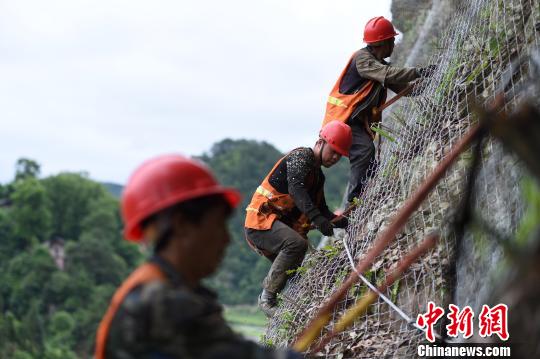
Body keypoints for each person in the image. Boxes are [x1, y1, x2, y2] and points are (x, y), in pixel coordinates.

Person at [95, 154, 302, 358]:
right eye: (217, 225)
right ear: (182, 225)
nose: (225, 240)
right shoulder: (166, 301)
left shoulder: (153, 285)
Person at [322, 16, 436, 203]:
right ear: (382, 43)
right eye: (391, 41)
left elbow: (405, 89)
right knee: (364, 151)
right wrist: (419, 71)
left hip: (354, 122)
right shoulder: (363, 60)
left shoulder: (378, 65)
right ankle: (353, 203)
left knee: (369, 162)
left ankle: (363, 196)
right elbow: (388, 75)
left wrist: (433, 79)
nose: (393, 44)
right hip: (343, 120)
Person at [244, 121, 352, 317]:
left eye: (339, 155)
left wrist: (347, 222)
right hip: (260, 223)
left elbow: (323, 212)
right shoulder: (301, 157)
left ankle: (292, 310)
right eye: (333, 151)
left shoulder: (318, 178)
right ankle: (267, 299)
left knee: (300, 271)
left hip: (276, 228)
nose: (335, 157)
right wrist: (318, 220)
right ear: (320, 142)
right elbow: (296, 189)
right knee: (297, 244)